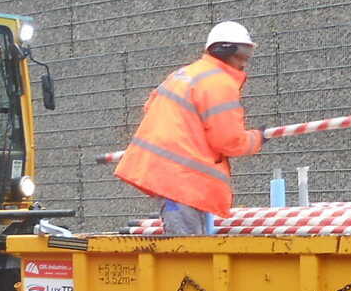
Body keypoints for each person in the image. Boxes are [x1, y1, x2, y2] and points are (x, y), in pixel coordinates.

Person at [113, 21, 265, 235]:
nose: (245, 62)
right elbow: (229, 142)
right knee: (189, 256)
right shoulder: (219, 83)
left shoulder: (185, 74)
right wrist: (257, 138)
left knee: (190, 251)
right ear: (235, 53)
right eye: (244, 55)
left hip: (171, 175)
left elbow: (151, 107)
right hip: (183, 179)